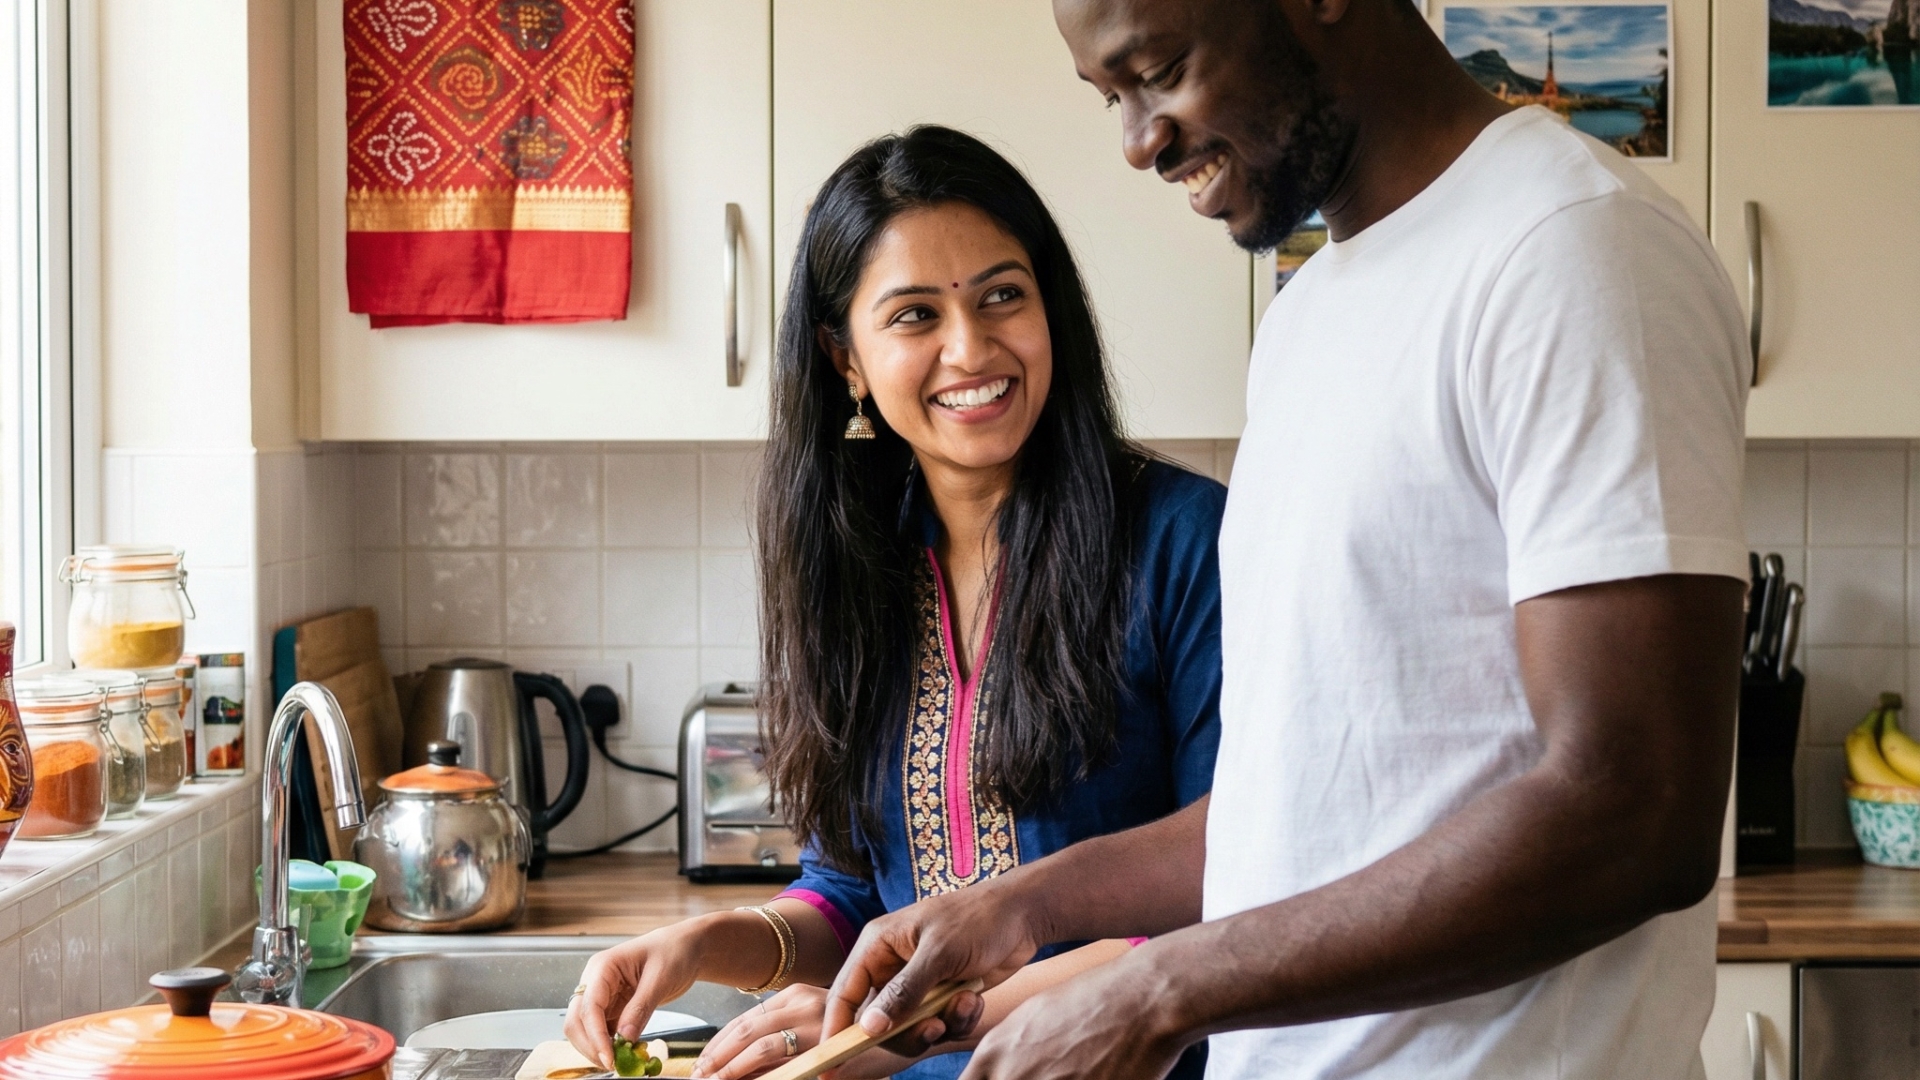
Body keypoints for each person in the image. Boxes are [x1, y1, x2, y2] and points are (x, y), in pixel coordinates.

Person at [820, 2, 1751, 1079]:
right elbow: (1289, 814)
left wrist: (1158, 990)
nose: (1138, 141)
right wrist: (1019, 905)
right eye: (1110, 98)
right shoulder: (1312, 315)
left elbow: (1635, 812)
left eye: (1159, 71)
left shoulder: (1573, 252)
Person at [563, 125, 1225, 1080]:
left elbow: (1239, 874)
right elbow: (851, 896)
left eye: (1004, 295)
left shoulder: (1183, 542)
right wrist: (711, 941)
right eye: (915, 315)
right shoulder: (855, 564)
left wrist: (923, 1023)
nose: (971, 347)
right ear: (846, 359)